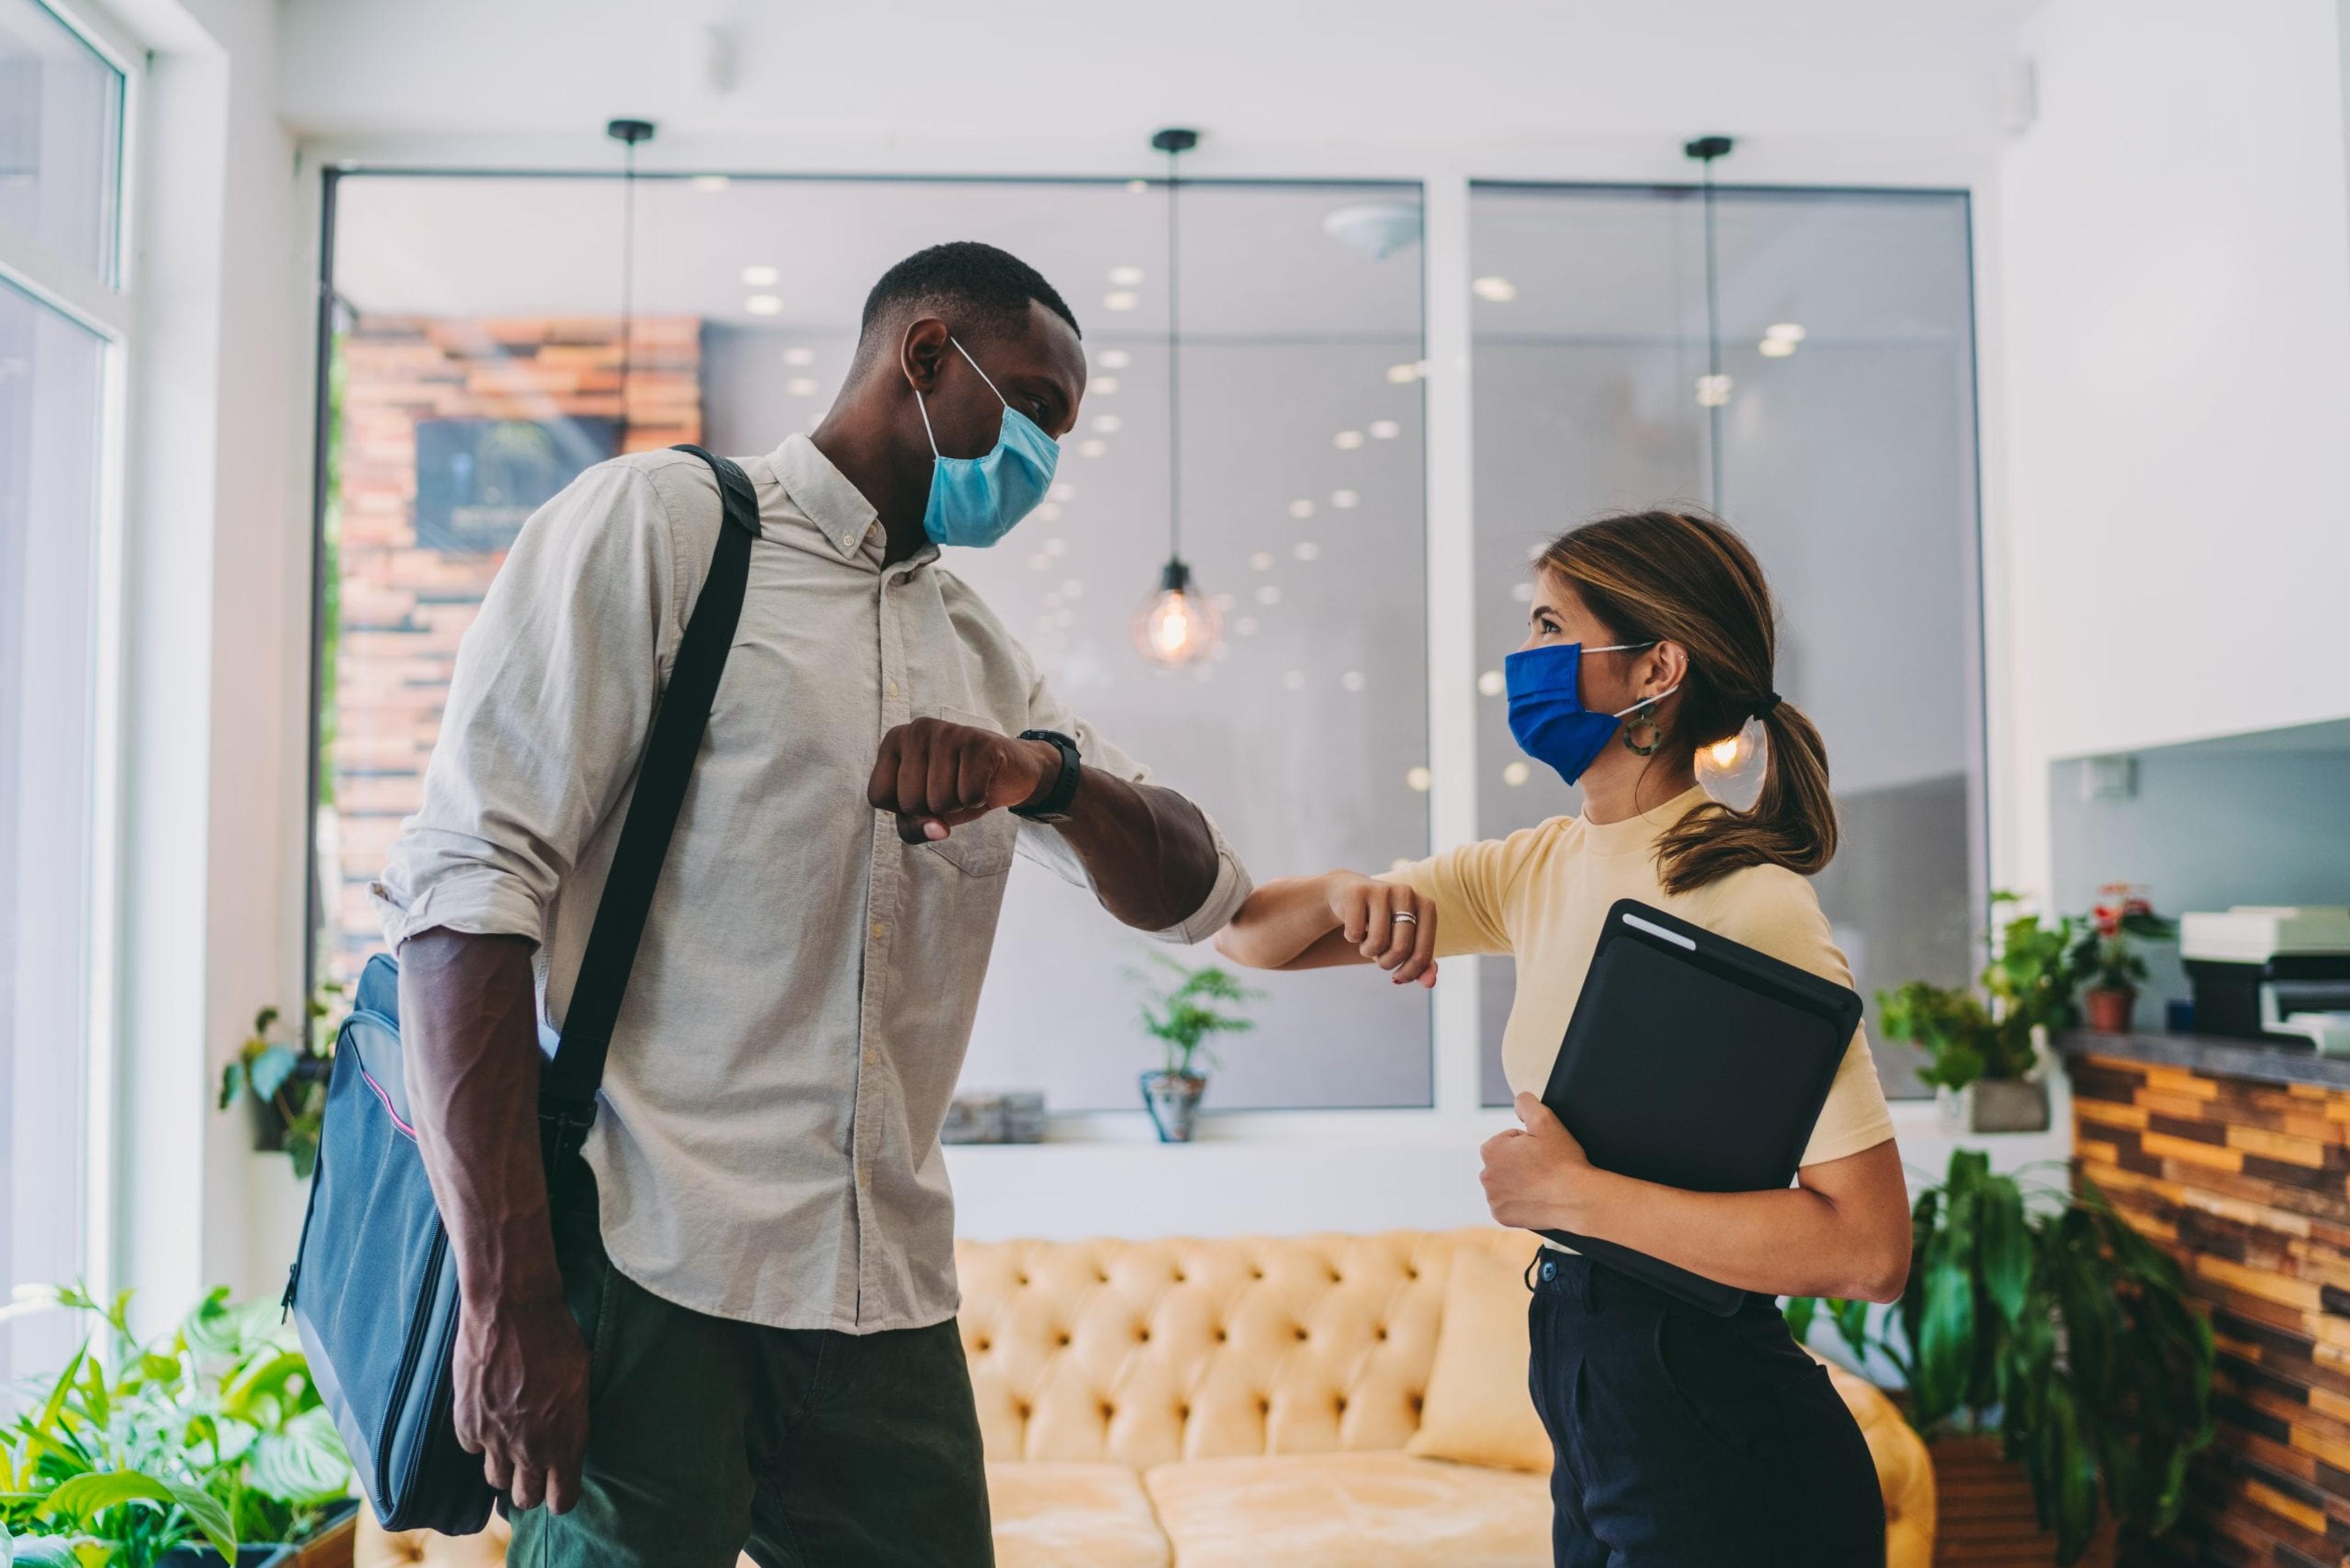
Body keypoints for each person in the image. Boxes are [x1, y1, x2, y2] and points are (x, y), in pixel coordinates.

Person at [374, 242, 1251, 1567]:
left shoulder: (974, 644)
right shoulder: (668, 526)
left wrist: (1042, 773)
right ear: (925, 355)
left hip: (882, 1301)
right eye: (1034, 407)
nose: (1046, 458)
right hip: (650, 1268)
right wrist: (506, 1297)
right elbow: (461, 900)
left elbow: (1194, 889)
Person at [1215, 510, 1909, 1566]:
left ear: (1653, 671)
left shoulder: (1744, 896)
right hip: (1594, 1394)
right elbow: (1252, 939)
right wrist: (1347, 889)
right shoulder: (1539, 867)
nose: (1523, 662)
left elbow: (1868, 1250)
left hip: (1716, 1427)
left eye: (1551, 627)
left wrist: (1571, 1198)